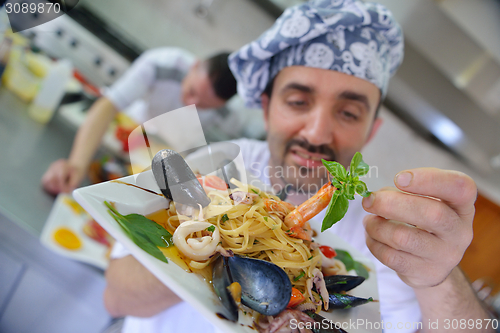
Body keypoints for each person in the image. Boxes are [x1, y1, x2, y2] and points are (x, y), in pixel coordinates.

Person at [102, 1, 493, 332]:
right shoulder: (212, 161)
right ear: (267, 105)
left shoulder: (385, 235)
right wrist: (215, 239)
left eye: (348, 112)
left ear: (371, 131)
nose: (318, 131)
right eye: (298, 101)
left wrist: (440, 279)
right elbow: (116, 296)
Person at [41, 48, 237, 195]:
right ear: (195, 66)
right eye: (192, 92)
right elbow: (108, 106)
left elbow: (224, 158)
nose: (191, 103)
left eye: (204, 105)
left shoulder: (231, 115)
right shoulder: (161, 63)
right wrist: (76, 165)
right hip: (124, 143)